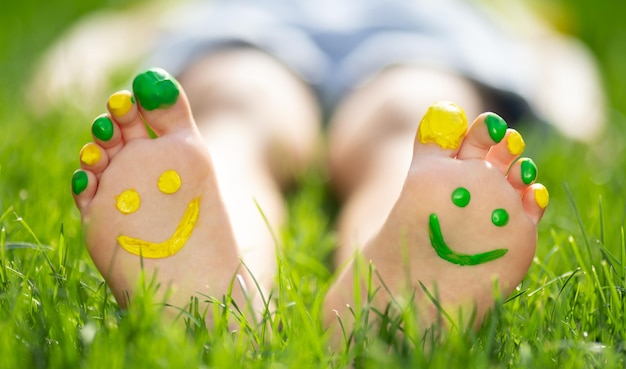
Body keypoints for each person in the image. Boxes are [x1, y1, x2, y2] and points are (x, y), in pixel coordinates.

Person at [62, 0, 602, 337]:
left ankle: (235, 298)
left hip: (266, 21)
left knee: (242, 107)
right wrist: (583, 119)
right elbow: (557, 50)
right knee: (396, 116)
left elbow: (116, 26)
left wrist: (66, 78)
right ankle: (382, 315)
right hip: (412, 28)